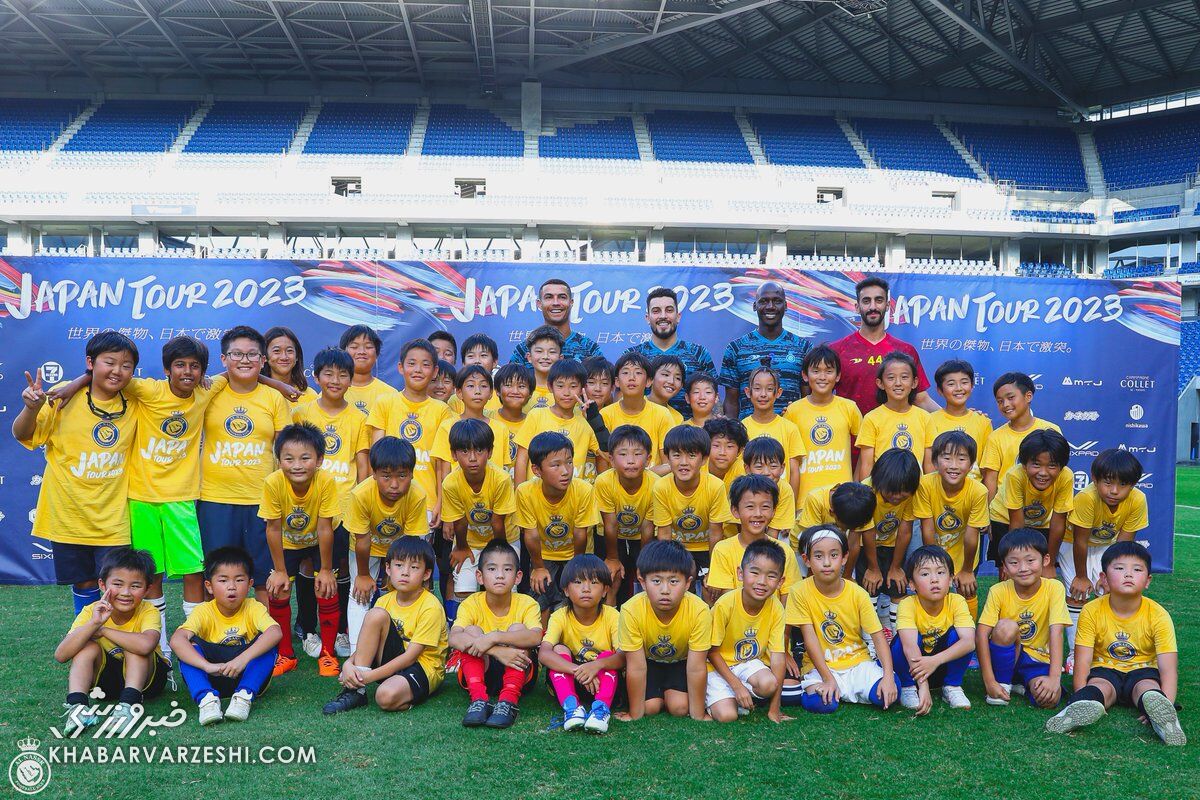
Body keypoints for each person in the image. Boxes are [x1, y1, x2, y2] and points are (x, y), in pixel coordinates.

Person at [13, 331, 140, 612]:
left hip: (114, 518)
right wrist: (31, 409)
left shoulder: (136, 400)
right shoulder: (62, 397)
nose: (118, 371)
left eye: (126, 365)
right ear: (90, 362)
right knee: (83, 584)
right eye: (110, 362)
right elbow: (23, 434)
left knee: (118, 584)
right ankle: (87, 643)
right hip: (68, 515)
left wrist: (81, 380)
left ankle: (115, 649)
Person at [1046, 542, 1184, 746]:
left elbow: (1168, 668)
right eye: (1119, 568)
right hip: (1104, 670)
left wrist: (1168, 702)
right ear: (1104, 579)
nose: (1128, 574)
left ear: (1147, 580)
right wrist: (1079, 693)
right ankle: (1077, 709)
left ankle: (1165, 721)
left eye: (1137, 570)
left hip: (1143, 671)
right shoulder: (1091, 610)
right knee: (1099, 687)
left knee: (1147, 689)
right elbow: (1082, 660)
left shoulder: (1159, 615)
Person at [196, 326, 292, 592]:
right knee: (217, 576)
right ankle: (214, 632)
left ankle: (266, 631)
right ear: (224, 359)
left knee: (264, 577)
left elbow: (284, 449)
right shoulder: (209, 391)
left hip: (261, 501)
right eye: (236, 354)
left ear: (263, 360)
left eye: (252, 355)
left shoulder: (274, 398)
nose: (245, 360)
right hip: (215, 499)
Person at [292, 347, 370, 660]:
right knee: (309, 565)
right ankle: (308, 629)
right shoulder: (303, 413)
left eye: (342, 375)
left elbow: (362, 464)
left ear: (352, 380)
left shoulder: (359, 418)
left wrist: (359, 501)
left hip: (344, 507)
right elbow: (290, 459)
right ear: (316, 376)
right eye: (329, 374)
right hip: (308, 506)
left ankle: (339, 631)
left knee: (339, 568)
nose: (335, 380)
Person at [322, 537, 448, 715]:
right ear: (388, 568)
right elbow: (369, 642)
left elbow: (411, 657)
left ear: (426, 574)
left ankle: (397, 690)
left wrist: (367, 677)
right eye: (399, 565)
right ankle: (355, 692)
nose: (405, 572)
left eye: (414, 567)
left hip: (423, 666)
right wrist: (349, 665)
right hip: (393, 660)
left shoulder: (431, 606)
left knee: (385, 697)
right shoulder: (384, 600)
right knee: (376, 614)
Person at [784, 526, 898, 713]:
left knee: (889, 692)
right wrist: (828, 678)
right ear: (807, 560)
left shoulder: (858, 593)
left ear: (845, 557)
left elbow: (878, 636)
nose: (827, 563)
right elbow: (810, 638)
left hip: (857, 662)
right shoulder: (799, 591)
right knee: (821, 704)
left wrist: (887, 677)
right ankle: (835, 688)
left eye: (834, 555)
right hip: (821, 665)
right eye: (818, 556)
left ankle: (847, 688)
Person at [56, 548, 169, 735]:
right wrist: (93, 624)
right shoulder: (92, 611)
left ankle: (129, 707)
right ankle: (78, 708)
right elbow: (61, 655)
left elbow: (146, 645)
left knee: (134, 646)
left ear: (147, 589)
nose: (125, 592)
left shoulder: (148, 610)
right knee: (86, 646)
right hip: (105, 685)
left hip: (148, 682)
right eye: (117, 584)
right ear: (102, 584)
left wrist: (103, 629)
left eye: (135, 586)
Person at [260, 422, 341, 677]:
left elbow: (325, 528)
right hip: (287, 541)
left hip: (322, 539)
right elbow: (272, 529)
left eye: (305, 458)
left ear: (319, 460)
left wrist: (326, 570)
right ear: (279, 460)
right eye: (288, 458)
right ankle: (286, 654)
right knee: (279, 589)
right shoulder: (273, 483)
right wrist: (280, 571)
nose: (296, 465)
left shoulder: (326, 482)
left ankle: (328, 653)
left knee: (326, 588)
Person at [170, 547, 282, 726]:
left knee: (268, 642)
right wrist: (207, 666)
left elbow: (275, 632)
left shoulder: (253, 607)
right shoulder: (203, 610)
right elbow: (176, 639)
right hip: (213, 674)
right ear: (209, 586)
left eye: (239, 580)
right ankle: (206, 699)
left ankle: (244, 697)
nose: (232, 586)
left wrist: (242, 660)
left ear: (250, 583)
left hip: (247, 674)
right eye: (223, 580)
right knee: (188, 648)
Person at [344, 437, 428, 652]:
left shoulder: (417, 494)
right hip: (366, 548)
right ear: (374, 473)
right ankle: (357, 651)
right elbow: (362, 541)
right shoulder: (360, 494)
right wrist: (363, 576)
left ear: (411, 473)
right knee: (360, 592)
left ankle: (406, 643)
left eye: (402, 475)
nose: (394, 484)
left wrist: (401, 572)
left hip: (402, 546)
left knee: (405, 586)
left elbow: (412, 544)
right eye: (386, 476)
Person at [1063, 449, 1148, 661]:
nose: (1114, 491)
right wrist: (1081, 576)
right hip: (1073, 544)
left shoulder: (1138, 500)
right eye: (1108, 483)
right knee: (1077, 593)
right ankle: (1075, 653)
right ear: (1094, 478)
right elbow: (1080, 541)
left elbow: (1123, 544)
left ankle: (1104, 648)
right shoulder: (1086, 498)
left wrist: (1112, 575)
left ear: (1134, 484)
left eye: (1123, 485)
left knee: (1110, 592)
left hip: (1108, 546)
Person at [449, 540, 544, 729]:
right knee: (472, 631)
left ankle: (508, 701)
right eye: (492, 569)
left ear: (517, 577)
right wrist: (497, 651)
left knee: (518, 629)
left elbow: (535, 636)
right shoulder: (471, 603)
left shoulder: (527, 603)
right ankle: (478, 700)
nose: (500, 575)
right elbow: (454, 637)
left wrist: (493, 637)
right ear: (480, 576)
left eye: (507, 570)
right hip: (482, 669)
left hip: (519, 672)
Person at [617, 540, 711, 720]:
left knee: (680, 708)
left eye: (674, 581)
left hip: (680, 663)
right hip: (648, 663)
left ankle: (668, 694)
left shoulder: (699, 610)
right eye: (656, 581)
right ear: (642, 582)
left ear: (687, 583)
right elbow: (636, 667)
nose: (665, 590)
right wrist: (634, 715)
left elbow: (696, 667)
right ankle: (655, 697)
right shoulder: (631, 609)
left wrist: (699, 715)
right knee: (649, 708)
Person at [976, 529, 1069, 709]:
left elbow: (1056, 632)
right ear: (1004, 566)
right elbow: (981, 634)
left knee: (1050, 699)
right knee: (1006, 627)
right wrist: (989, 681)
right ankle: (1002, 683)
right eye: (1014, 562)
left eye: (1030, 560)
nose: (1023, 568)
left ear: (1046, 560)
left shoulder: (1054, 588)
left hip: (1037, 659)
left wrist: (1054, 679)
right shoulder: (999, 590)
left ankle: (1024, 685)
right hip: (1006, 654)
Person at [515, 431, 601, 624]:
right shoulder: (526, 492)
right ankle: (540, 644)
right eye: (556, 465)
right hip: (543, 555)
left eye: (569, 462)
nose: (566, 471)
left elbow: (581, 534)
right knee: (540, 598)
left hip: (577, 555)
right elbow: (531, 534)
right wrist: (537, 567)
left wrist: (576, 568)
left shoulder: (583, 490)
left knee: (572, 602)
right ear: (537, 470)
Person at [366, 337, 453, 526]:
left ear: (435, 371)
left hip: (426, 501)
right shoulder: (385, 403)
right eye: (411, 364)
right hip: (385, 498)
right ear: (400, 367)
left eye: (425, 365)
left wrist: (441, 502)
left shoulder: (442, 411)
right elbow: (374, 456)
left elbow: (442, 463)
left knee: (415, 556)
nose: (418, 370)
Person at [538, 555, 623, 733]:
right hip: (571, 680)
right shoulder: (560, 616)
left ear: (605, 590)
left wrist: (595, 665)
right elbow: (544, 654)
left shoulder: (613, 616)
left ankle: (600, 710)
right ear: (566, 590)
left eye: (593, 582)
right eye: (577, 582)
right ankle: (572, 708)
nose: (586, 589)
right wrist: (579, 671)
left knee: (608, 654)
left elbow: (623, 657)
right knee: (558, 649)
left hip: (603, 681)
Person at [707, 539, 789, 723]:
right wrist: (737, 687)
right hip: (716, 665)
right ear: (741, 573)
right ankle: (725, 696)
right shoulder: (725, 604)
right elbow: (712, 652)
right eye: (754, 572)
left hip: (746, 663)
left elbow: (778, 658)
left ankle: (740, 696)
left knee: (769, 684)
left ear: (780, 581)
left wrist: (774, 709)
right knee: (728, 716)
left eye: (771, 576)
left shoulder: (776, 607)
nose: (762, 582)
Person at [829, 277, 936, 417]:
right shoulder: (836, 350)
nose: (873, 307)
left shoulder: (906, 351)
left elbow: (921, 399)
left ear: (887, 306)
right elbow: (821, 400)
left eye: (879, 300)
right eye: (866, 301)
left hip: (896, 436)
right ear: (857, 307)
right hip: (850, 437)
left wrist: (956, 417)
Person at [442, 419, 518, 613]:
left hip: (504, 539)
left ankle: (506, 629)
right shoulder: (450, 483)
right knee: (464, 585)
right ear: (453, 454)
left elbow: (497, 522)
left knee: (505, 585)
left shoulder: (501, 479)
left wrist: (499, 555)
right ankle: (465, 628)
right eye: (465, 451)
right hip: (468, 541)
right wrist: (461, 547)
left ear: (490, 452)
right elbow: (459, 521)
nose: (473, 458)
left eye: (479, 451)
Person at [912, 431, 988, 618]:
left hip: (965, 553)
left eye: (961, 459)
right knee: (933, 592)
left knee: (967, 589)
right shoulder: (925, 485)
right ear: (935, 462)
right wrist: (937, 565)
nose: (954, 466)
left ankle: (970, 635)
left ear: (971, 465)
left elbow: (972, 536)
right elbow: (927, 529)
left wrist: (967, 570)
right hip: (935, 549)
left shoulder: (978, 491)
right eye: (947, 458)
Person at [892, 546, 975, 713]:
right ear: (912, 584)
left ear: (951, 579)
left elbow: (969, 642)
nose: (934, 580)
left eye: (940, 572)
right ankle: (908, 687)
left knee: (959, 636)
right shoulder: (907, 604)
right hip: (912, 668)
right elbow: (909, 647)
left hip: (939, 667)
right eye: (925, 574)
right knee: (903, 641)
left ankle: (952, 686)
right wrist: (922, 686)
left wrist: (934, 661)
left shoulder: (957, 601)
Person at [651, 425, 734, 588]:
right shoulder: (661, 487)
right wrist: (668, 569)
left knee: (712, 588)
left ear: (703, 459)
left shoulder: (715, 486)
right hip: (675, 549)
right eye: (676, 455)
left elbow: (715, 533)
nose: (683, 463)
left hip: (706, 549)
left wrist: (714, 570)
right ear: (667, 458)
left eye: (691, 455)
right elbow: (664, 533)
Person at [720, 281, 810, 419]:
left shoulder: (803, 348)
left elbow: (808, 398)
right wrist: (732, 433)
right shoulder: (736, 349)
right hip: (749, 435)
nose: (770, 306)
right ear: (755, 306)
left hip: (791, 433)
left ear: (785, 306)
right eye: (764, 301)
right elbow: (731, 402)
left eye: (777, 301)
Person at [989, 429, 1073, 574]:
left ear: (1061, 467)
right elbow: (1016, 523)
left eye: (1052, 466)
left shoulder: (1066, 477)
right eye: (1036, 465)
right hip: (1005, 519)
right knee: (1009, 571)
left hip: (1040, 521)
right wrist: (1013, 561)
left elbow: (1058, 522)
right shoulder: (1015, 476)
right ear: (1024, 464)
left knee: (1040, 567)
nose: (1043, 472)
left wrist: (1050, 563)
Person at [708, 475, 802, 604]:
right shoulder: (723, 549)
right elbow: (728, 601)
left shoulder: (785, 551)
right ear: (735, 511)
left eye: (765, 507)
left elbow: (788, 600)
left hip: (774, 622)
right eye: (750, 507)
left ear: (774, 511)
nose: (758, 514)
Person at [784, 344, 862, 500]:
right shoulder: (793, 411)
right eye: (816, 371)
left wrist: (855, 483)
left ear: (838, 376)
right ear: (805, 376)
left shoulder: (849, 408)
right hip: (804, 500)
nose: (822, 377)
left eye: (829, 371)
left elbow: (867, 448)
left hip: (841, 500)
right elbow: (787, 459)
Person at [514, 359, 606, 485]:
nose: (566, 393)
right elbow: (521, 459)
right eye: (560, 386)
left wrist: (595, 421)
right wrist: (519, 495)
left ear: (582, 389)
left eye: (573, 386)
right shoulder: (536, 415)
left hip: (572, 498)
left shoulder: (586, 423)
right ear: (550, 386)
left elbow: (608, 456)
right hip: (536, 496)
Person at [629, 286, 717, 417]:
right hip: (643, 433)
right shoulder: (633, 356)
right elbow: (621, 399)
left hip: (691, 434)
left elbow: (714, 398)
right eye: (656, 311)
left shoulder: (698, 354)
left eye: (669, 310)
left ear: (678, 316)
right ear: (648, 318)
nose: (663, 316)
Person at [595, 425, 658, 604]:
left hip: (642, 535)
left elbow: (647, 526)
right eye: (623, 454)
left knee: (644, 572)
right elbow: (611, 523)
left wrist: (643, 563)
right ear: (611, 460)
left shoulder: (656, 485)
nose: (630, 460)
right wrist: (613, 558)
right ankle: (610, 608)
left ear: (648, 460)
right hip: (610, 536)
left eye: (637, 454)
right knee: (612, 573)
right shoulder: (604, 482)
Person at [979, 372, 1060, 504]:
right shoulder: (995, 437)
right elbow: (991, 479)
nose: (1005, 404)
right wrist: (988, 515)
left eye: (1010, 397)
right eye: (1000, 401)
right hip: (1004, 514)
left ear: (1028, 396)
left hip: (1043, 511)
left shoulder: (1052, 430)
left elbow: (1059, 472)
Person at [863, 449, 921, 632]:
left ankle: (896, 634)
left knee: (898, 585)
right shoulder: (867, 491)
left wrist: (896, 567)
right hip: (866, 546)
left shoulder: (912, 495)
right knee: (870, 588)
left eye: (902, 494)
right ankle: (870, 639)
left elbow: (905, 531)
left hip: (892, 545)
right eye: (891, 492)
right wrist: (873, 568)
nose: (896, 497)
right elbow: (867, 532)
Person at [855, 351, 931, 480]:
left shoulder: (925, 418)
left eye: (904, 377)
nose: (898, 383)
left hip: (916, 493)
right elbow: (866, 465)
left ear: (914, 382)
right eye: (891, 378)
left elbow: (929, 465)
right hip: (882, 492)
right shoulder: (871, 418)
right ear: (880, 383)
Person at [601, 352, 673, 470]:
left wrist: (639, 475)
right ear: (617, 381)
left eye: (638, 373)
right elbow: (603, 467)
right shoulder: (605, 415)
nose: (631, 378)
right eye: (625, 373)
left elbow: (668, 465)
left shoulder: (662, 414)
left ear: (649, 381)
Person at [741, 365, 805, 499]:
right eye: (757, 389)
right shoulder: (741, 428)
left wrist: (791, 506)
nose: (763, 394)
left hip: (782, 501)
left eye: (769, 389)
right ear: (748, 392)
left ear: (778, 392)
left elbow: (794, 472)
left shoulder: (790, 428)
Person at [923, 359, 991, 477]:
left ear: (972, 386)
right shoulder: (930, 420)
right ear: (940, 390)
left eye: (964, 382)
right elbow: (929, 464)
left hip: (973, 492)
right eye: (951, 384)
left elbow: (986, 467)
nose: (959, 388)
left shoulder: (983, 421)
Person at [509, 278, 601, 365]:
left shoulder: (590, 349)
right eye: (549, 297)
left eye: (562, 297)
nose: (556, 303)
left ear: (571, 302)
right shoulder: (523, 350)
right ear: (539, 304)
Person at [795, 481, 876, 573]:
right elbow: (812, 545)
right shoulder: (816, 499)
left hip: (836, 547)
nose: (847, 530)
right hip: (805, 547)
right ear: (832, 513)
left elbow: (853, 544)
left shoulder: (862, 505)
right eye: (846, 528)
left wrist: (847, 575)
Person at [731, 437, 798, 544]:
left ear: (782, 468)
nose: (766, 472)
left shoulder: (784, 490)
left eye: (773, 466)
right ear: (747, 469)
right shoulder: (740, 488)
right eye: (759, 466)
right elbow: (736, 528)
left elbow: (773, 532)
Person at [340, 324, 395, 417]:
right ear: (343, 353)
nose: (361, 351)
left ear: (376, 354)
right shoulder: (334, 391)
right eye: (354, 347)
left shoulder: (390, 395)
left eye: (368, 347)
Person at [492, 363, 534, 479]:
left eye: (521, 386)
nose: (515, 391)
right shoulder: (487, 419)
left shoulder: (534, 423)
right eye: (508, 385)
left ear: (530, 393)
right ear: (497, 390)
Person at [263, 326, 316, 407]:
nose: (284, 357)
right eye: (277, 351)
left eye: (289, 351)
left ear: (297, 356)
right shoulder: (256, 392)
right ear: (265, 357)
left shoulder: (310, 396)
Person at [521, 325, 564, 410]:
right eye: (539, 351)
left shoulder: (567, 391)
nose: (545, 356)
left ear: (560, 358)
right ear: (529, 357)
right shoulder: (519, 389)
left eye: (552, 352)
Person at [703, 417, 747, 491]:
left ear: (740, 451)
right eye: (716, 445)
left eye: (729, 446)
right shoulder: (697, 468)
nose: (722, 452)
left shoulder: (744, 471)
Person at [648, 355, 687, 425]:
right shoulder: (634, 406)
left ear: (681, 386)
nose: (671, 381)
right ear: (651, 378)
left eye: (678, 378)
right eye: (665, 375)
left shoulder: (678, 418)